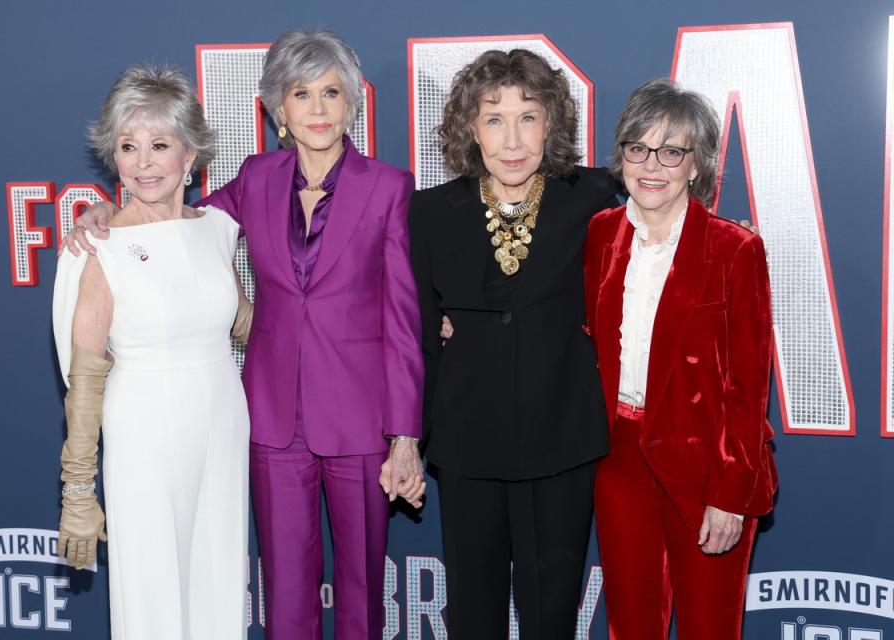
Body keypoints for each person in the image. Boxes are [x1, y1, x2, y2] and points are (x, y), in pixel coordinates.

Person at [63, 28, 425, 640]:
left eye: (331, 93)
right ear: (277, 109)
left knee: (364, 587)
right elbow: (176, 218)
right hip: (270, 421)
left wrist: (406, 436)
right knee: (286, 587)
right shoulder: (257, 179)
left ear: (352, 104)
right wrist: (102, 210)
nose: (316, 109)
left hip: (360, 419)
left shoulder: (387, 187)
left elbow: (403, 319)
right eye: (301, 94)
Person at [408, 49, 618, 638]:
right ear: (469, 129)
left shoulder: (594, 197)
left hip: (562, 439)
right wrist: (407, 436)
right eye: (494, 118)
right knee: (473, 614)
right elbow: (416, 330)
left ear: (551, 123)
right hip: (468, 439)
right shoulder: (429, 213)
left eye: (528, 116)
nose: (512, 138)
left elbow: (667, 203)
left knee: (551, 613)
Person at [51, 64, 250, 638]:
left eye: (159, 145)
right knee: (152, 594)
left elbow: (247, 327)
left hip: (222, 425)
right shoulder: (100, 246)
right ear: (113, 157)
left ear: (190, 155)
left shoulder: (216, 229)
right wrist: (78, 491)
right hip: (142, 431)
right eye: (128, 146)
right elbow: (84, 382)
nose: (143, 162)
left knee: (217, 583)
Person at [583, 78, 778, 639]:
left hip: (705, 460)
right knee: (631, 624)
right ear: (621, 155)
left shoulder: (734, 248)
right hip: (619, 459)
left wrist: (730, 494)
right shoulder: (599, 235)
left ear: (697, 166)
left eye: (672, 151)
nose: (652, 165)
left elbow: (748, 384)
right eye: (638, 148)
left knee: (709, 627)